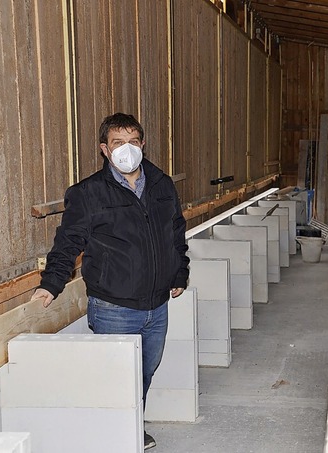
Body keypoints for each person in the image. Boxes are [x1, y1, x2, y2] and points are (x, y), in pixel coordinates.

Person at [30, 112, 190, 450]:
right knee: (114, 377)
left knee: (145, 372)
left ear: (142, 144)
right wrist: (51, 283)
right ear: (105, 149)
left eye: (133, 142)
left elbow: (176, 232)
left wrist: (180, 273)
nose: (127, 149)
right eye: (118, 143)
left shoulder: (161, 184)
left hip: (157, 304)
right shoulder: (88, 193)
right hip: (114, 306)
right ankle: (113, 436)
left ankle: (131, 425)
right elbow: (67, 243)